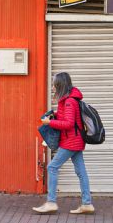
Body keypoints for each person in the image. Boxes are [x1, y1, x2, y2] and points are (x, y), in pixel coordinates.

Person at [32, 72, 94, 215]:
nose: (52, 87)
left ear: (60, 85)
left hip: (71, 141)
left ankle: (51, 202)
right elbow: (68, 118)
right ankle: (87, 203)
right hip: (75, 140)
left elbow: (69, 124)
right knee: (81, 171)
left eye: (54, 84)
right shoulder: (68, 100)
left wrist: (50, 122)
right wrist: (54, 114)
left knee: (52, 167)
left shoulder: (69, 101)